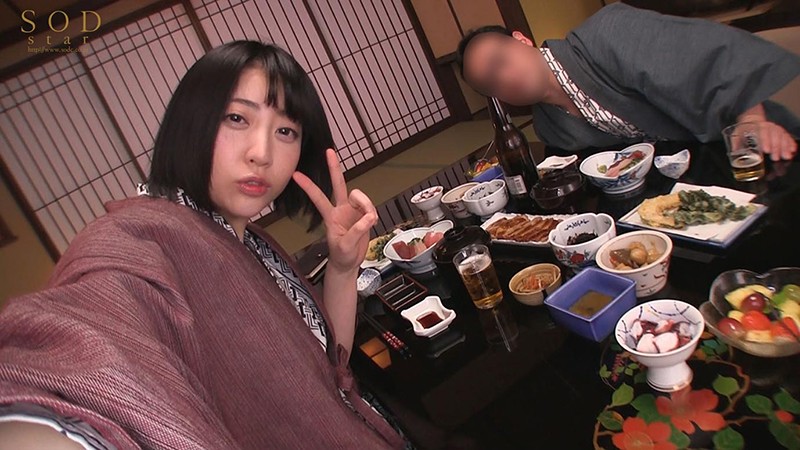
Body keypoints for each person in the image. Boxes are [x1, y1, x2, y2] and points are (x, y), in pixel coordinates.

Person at [0, 41, 408, 449]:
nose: (262, 153)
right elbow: (83, 339)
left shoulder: (250, 240)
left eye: (285, 131)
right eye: (236, 118)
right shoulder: (141, 238)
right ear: (191, 121)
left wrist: (342, 268)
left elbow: (328, 371)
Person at [457, 2, 800, 160]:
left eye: (501, 61)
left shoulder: (608, 31)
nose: (505, 78)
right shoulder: (550, 128)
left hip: (744, 146)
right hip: (683, 188)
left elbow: (705, 53)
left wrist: (752, 120)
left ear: (521, 39)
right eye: (492, 84)